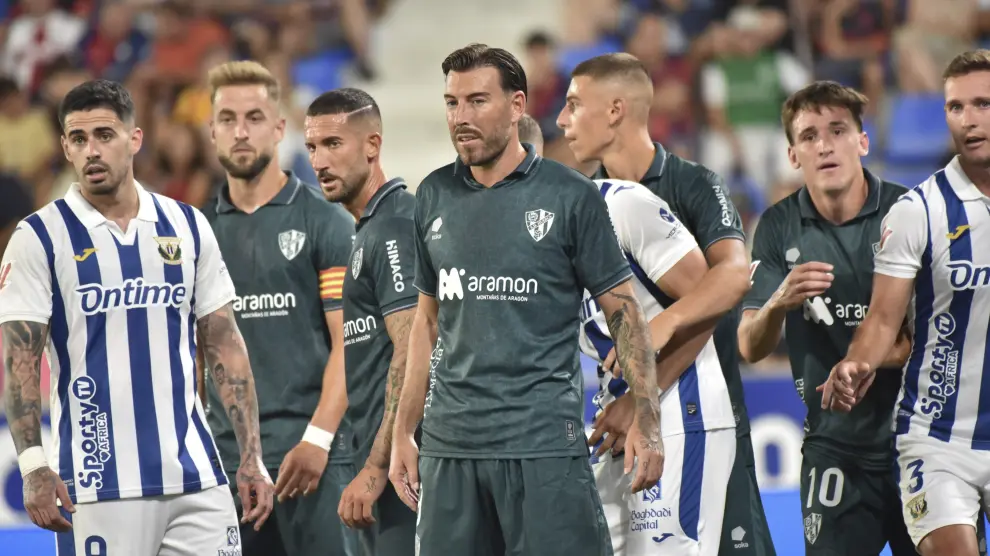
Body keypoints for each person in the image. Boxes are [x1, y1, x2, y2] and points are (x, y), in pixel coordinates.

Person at [389, 43, 663, 556]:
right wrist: (405, 432)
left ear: (517, 106)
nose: (461, 117)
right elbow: (426, 325)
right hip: (450, 451)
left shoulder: (570, 195)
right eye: (452, 103)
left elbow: (625, 313)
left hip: (541, 447)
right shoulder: (431, 195)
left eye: (476, 101)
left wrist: (649, 421)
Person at [0, 79, 273, 554]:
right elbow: (19, 358)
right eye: (78, 139)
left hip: (197, 477)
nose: (92, 151)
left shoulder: (187, 225)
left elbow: (225, 343)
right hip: (97, 484)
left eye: (105, 135)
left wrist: (251, 455)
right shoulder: (38, 236)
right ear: (65, 146)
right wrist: (32, 465)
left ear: (135, 138)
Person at [556, 52, 775, 556]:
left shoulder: (691, 183)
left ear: (615, 110)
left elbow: (730, 281)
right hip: (631, 412)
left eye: (573, 105)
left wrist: (647, 373)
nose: (563, 120)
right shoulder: (588, 201)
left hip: (698, 407)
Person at [737, 81, 915, 555]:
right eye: (810, 135)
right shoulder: (777, 226)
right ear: (793, 155)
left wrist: (869, 361)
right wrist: (778, 301)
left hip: (919, 441)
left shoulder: (911, 212)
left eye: (838, 130)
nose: (824, 145)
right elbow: (750, 347)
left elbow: (941, 336)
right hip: (833, 447)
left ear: (863, 140)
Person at [824, 49, 990, 556]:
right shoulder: (918, 210)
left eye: (982, 103)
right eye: (955, 107)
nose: (968, 119)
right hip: (938, 439)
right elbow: (881, 319)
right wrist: (856, 362)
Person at [199, 61, 358, 556]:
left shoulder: (325, 221)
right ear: (212, 132)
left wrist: (317, 439)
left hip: (313, 460)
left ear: (279, 127)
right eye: (227, 119)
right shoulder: (194, 233)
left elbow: (349, 344)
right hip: (226, 467)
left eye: (253, 116)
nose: (240, 131)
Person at [581, 177, 737, 555]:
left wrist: (640, 399)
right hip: (614, 423)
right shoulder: (530, 243)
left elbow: (714, 294)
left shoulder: (617, 204)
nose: (565, 119)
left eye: (575, 110)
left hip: (680, 409)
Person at [302, 87, 418, 554]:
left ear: (372, 145)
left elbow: (413, 350)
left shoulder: (394, 226)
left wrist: (375, 466)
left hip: (399, 471)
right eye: (311, 147)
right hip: (375, 466)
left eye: (333, 145)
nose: (319, 162)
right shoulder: (366, 229)